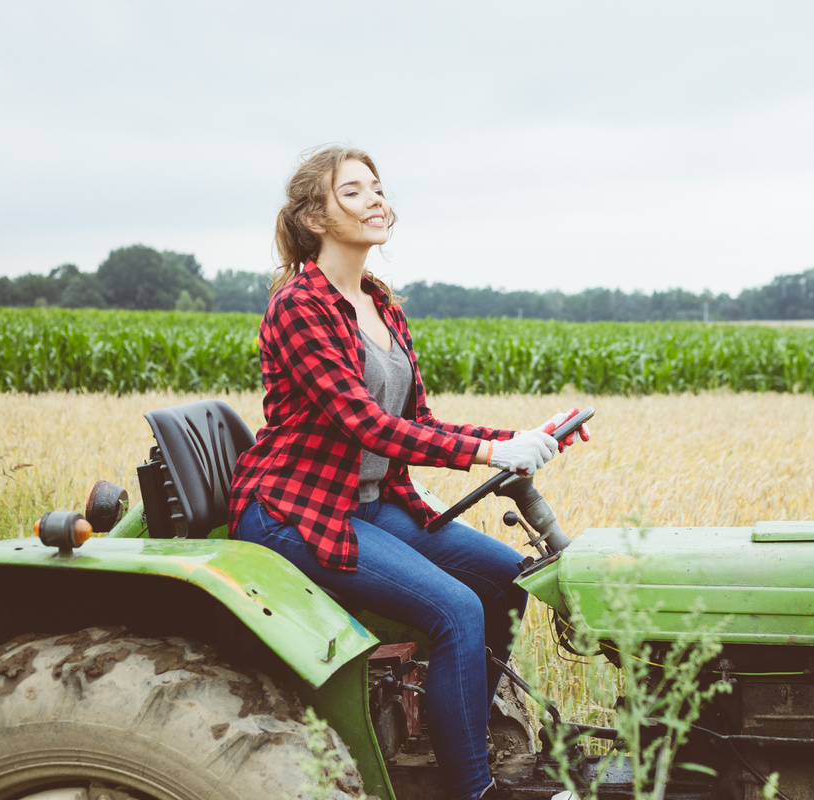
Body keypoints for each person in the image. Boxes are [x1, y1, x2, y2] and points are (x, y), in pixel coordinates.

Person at [227, 144, 587, 800]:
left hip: (367, 502)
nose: (377, 201)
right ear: (315, 217)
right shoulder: (300, 306)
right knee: (453, 608)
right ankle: (472, 790)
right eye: (355, 192)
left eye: (378, 189)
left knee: (506, 580)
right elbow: (363, 424)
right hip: (300, 512)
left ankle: (459, 741)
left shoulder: (380, 305)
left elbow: (420, 421)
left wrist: (519, 438)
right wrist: (490, 453)